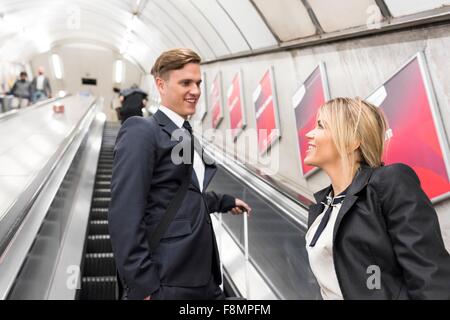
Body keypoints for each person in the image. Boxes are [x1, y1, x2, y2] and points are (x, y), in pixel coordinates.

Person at [108, 48, 252, 300]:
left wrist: (223, 202)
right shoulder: (141, 131)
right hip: (167, 279)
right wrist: (143, 286)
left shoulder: (183, 134)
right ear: (160, 85)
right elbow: (125, 213)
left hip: (201, 277)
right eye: (185, 82)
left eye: (198, 83)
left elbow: (182, 193)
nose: (195, 91)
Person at [304, 97, 450, 299]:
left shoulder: (388, 183)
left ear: (352, 141)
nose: (308, 134)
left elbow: (429, 276)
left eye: (321, 125)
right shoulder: (322, 209)